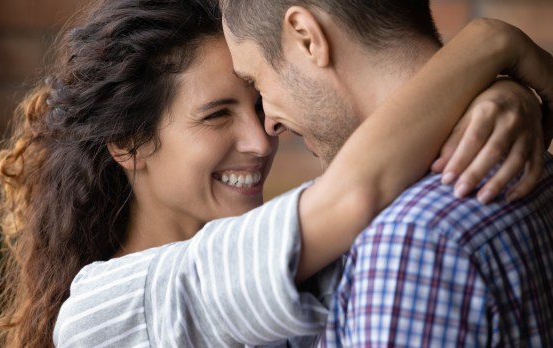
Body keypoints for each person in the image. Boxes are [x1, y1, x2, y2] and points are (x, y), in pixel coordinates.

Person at [0, 0, 553, 347]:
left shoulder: (305, 246)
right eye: (216, 114)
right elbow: (356, 189)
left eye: (254, 99)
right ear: (128, 143)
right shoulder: (105, 310)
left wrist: (502, 99)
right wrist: (488, 49)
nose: (262, 134)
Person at [220, 0, 553, 346]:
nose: (269, 125)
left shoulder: (409, 241)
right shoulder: (531, 156)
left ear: (307, 38)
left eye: (258, 84)